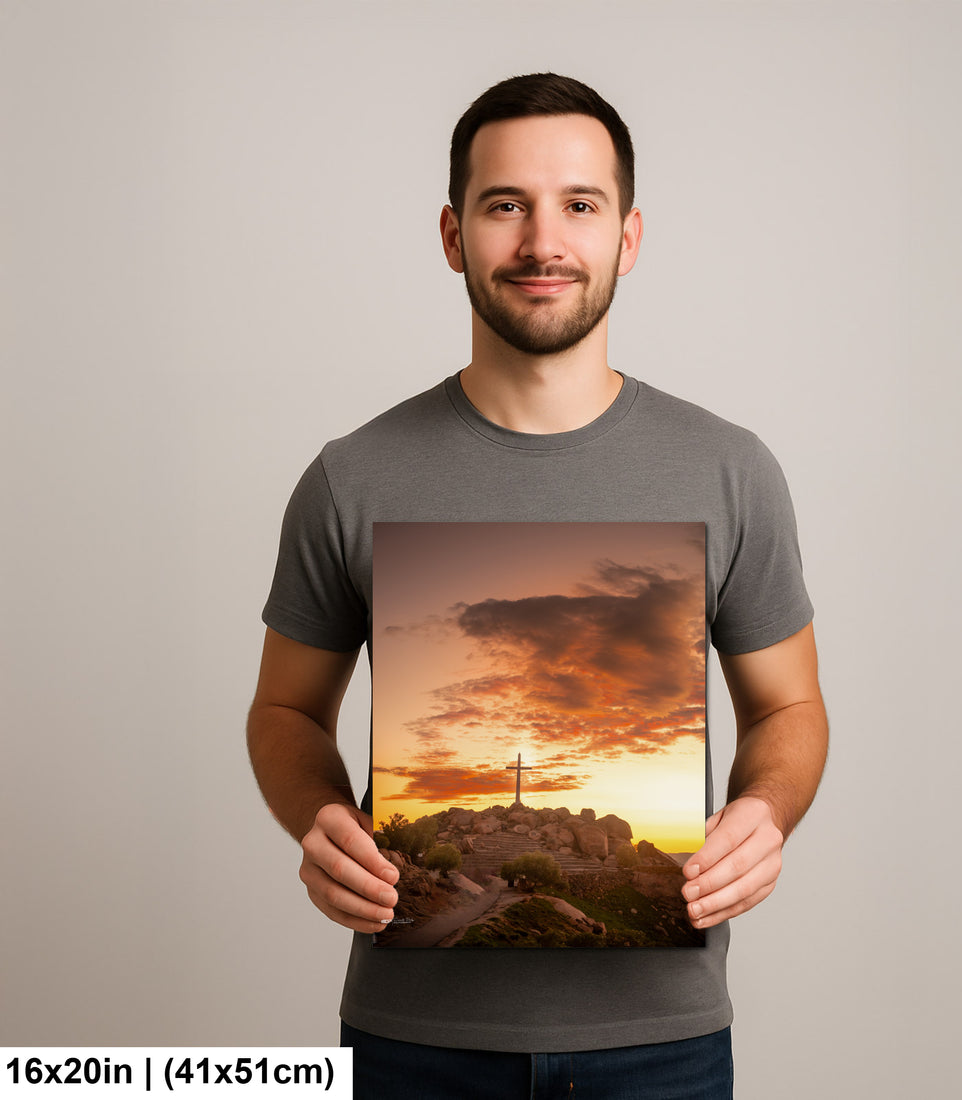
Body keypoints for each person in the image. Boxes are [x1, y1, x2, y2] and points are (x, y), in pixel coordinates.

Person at [247, 73, 828, 1099]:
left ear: (628, 236)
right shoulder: (352, 476)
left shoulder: (731, 468)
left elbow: (789, 706)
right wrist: (320, 815)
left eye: (578, 204)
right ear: (451, 233)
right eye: (504, 204)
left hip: (663, 1043)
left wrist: (764, 809)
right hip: (409, 1041)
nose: (541, 241)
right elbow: (286, 708)